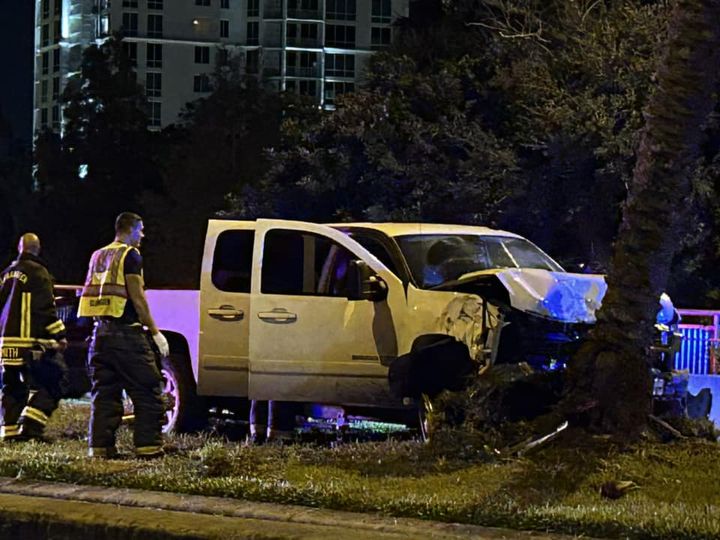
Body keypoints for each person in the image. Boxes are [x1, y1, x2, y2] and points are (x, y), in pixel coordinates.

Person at [78, 212, 170, 459]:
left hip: (99, 336)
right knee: (148, 389)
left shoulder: (98, 255)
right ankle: (149, 448)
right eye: (140, 230)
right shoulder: (130, 255)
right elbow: (137, 297)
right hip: (125, 334)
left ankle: (100, 448)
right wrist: (155, 332)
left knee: (105, 393)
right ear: (129, 230)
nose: (143, 235)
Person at [0, 233, 68, 442]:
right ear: (37, 249)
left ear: (21, 248)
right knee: (56, 382)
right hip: (31, 342)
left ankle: (9, 433)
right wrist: (59, 334)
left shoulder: (6, 274)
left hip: (6, 343)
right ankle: (31, 427)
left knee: (12, 387)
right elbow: (45, 308)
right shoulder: (39, 273)